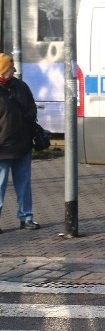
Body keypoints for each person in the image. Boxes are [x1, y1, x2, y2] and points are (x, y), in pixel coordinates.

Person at [0, 53, 40, 231]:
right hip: (2, 148)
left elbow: (32, 106)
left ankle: (26, 217)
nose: (14, 70)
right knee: (0, 185)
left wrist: (29, 116)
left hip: (22, 144)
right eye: (10, 68)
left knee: (24, 183)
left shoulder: (20, 86)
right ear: (2, 70)